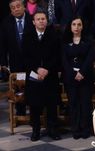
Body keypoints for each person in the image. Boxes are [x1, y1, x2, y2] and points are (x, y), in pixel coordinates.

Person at [22, 10, 61, 141]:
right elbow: (25, 57)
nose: (41, 21)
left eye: (43, 19)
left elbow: (57, 56)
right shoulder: (27, 36)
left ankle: (53, 129)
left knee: (51, 104)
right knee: (35, 105)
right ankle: (36, 130)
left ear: (46, 21)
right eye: (38, 19)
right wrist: (37, 69)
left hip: (50, 75)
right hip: (34, 76)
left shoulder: (54, 35)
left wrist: (47, 69)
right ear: (33, 22)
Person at [61, 16, 95, 139]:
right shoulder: (64, 42)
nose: (76, 27)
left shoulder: (89, 41)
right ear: (70, 27)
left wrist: (82, 72)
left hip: (86, 76)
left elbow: (89, 58)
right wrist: (73, 73)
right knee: (73, 103)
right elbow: (64, 60)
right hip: (71, 77)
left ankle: (85, 128)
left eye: (79, 24)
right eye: (74, 24)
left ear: (82, 26)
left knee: (85, 103)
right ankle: (75, 129)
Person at [0, 0, 35, 115]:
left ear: (24, 6)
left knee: (33, 86)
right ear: (10, 10)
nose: (16, 9)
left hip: (32, 61)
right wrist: (4, 62)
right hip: (16, 61)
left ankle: (35, 113)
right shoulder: (6, 23)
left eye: (18, 6)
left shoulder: (33, 19)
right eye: (13, 8)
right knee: (19, 87)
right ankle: (20, 113)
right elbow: (3, 44)